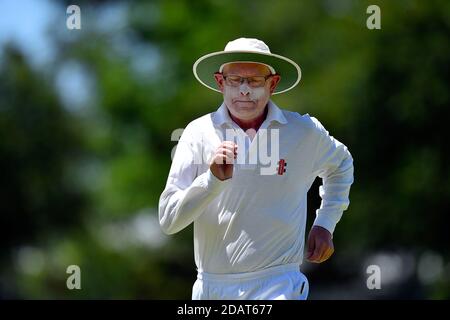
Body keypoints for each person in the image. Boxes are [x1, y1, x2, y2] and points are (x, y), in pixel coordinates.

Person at [158, 38, 354, 300]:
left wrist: (325, 223)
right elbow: (169, 220)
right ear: (220, 82)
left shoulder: (303, 131)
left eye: (255, 81)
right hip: (212, 289)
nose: (245, 91)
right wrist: (212, 180)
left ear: (272, 84)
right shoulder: (197, 133)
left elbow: (341, 164)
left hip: (279, 284)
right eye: (235, 80)